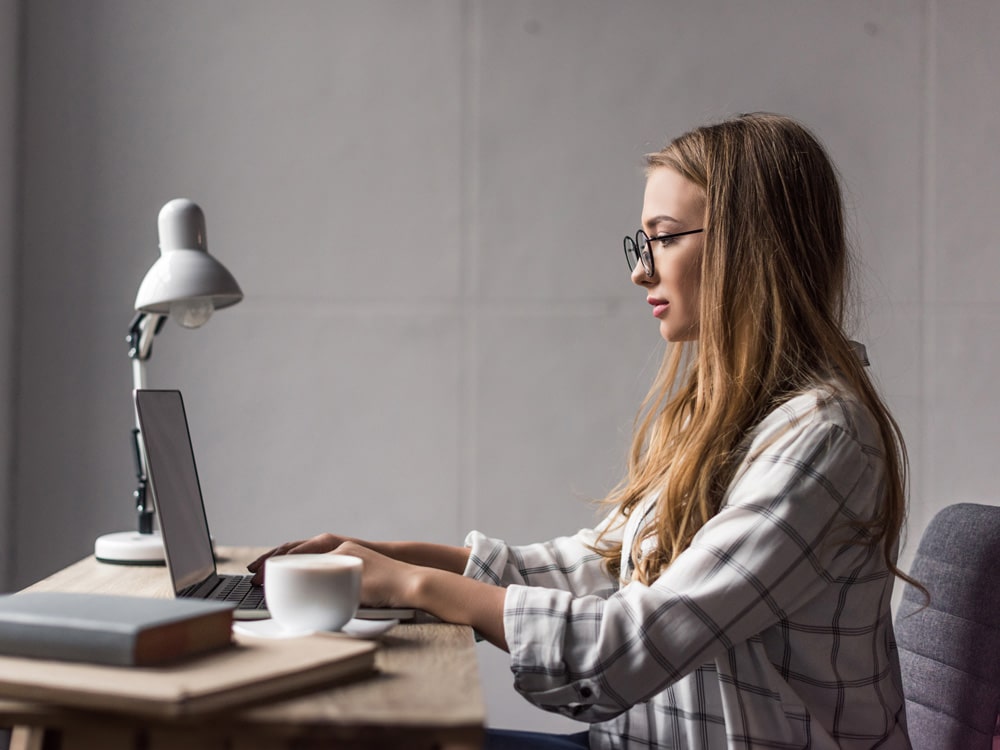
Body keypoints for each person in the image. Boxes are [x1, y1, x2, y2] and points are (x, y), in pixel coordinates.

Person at [248, 113, 916, 749]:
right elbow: (603, 567)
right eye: (640, 242)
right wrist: (402, 556)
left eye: (664, 236)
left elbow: (633, 643)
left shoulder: (822, 439)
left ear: (751, 245)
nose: (639, 270)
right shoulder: (722, 417)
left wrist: (409, 586)